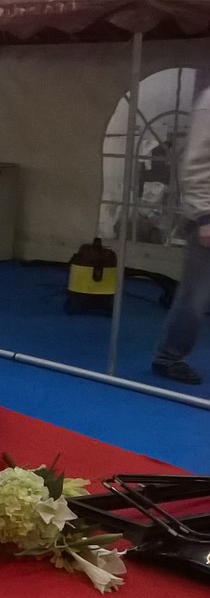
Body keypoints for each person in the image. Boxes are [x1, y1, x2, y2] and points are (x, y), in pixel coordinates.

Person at [153, 88, 210, 385]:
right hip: (208, 216)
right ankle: (168, 358)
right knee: (195, 296)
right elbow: (198, 162)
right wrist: (205, 216)